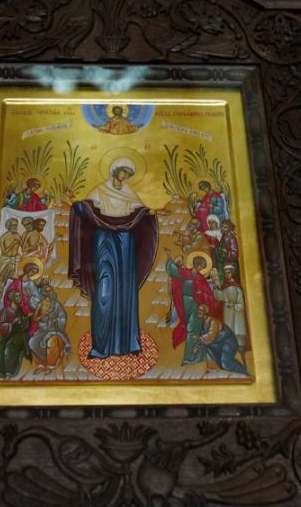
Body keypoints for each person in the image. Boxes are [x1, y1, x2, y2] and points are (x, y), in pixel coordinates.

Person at [68, 157, 158, 359]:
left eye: (128, 174)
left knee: (126, 288)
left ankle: (129, 343)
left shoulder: (129, 194)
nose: (124, 176)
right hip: (104, 241)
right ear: (115, 171)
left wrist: (150, 213)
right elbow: (86, 210)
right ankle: (100, 346)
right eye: (122, 172)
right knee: (105, 289)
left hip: (125, 241)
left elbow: (140, 213)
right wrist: (75, 202)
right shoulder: (100, 190)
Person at [165, 251, 223, 365]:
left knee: (192, 329)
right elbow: (173, 270)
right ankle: (194, 355)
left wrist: (202, 296)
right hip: (185, 303)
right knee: (189, 328)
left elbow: (208, 293)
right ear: (197, 264)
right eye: (202, 266)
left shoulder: (200, 278)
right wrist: (169, 257)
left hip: (197, 305)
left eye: (203, 267)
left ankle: (188, 357)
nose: (202, 268)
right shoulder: (185, 273)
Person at [29, 284, 71, 371]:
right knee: (32, 342)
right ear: (44, 293)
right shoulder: (41, 304)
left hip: (53, 328)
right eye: (48, 291)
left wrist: (58, 320)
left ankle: (51, 364)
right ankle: (42, 363)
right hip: (42, 328)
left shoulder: (56, 305)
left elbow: (63, 316)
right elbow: (35, 319)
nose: (51, 292)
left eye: (51, 290)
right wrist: (47, 312)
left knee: (51, 343)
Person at [196, 303, 248, 375]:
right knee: (202, 344)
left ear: (205, 312)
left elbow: (211, 335)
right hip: (218, 343)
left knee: (226, 364)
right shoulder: (203, 323)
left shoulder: (212, 321)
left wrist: (200, 338)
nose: (199, 311)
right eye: (198, 309)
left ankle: (244, 372)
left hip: (228, 342)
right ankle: (214, 366)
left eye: (201, 310)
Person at [0, 288, 31, 378]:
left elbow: (25, 325)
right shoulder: (6, 311)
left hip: (20, 334)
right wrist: (11, 323)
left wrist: (26, 319)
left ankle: (9, 372)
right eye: (17, 296)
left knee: (10, 346)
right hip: (8, 332)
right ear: (12, 299)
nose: (19, 297)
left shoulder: (20, 310)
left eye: (19, 295)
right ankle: (0, 372)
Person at [213, 264, 248, 353]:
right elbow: (220, 296)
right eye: (225, 273)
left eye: (228, 273)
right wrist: (216, 288)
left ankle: (241, 348)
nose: (227, 275)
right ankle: (230, 348)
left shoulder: (237, 287)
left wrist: (234, 305)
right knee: (229, 329)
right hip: (227, 312)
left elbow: (241, 304)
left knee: (238, 330)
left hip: (237, 313)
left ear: (232, 273)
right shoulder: (225, 286)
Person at [0, 218, 21, 287]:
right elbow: (4, 252)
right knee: (2, 279)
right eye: (13, 225)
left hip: (15, 260)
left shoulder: (17, 235)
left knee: (14, 279)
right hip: (5, 260)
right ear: (9, 226)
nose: (15, 227)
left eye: (16, 225)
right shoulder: (3, 237)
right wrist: (12, 244)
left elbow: (23, 247)